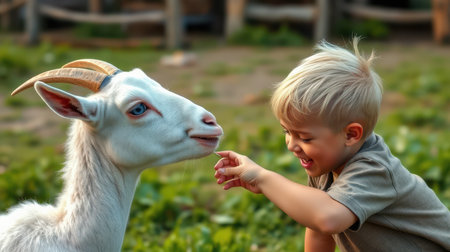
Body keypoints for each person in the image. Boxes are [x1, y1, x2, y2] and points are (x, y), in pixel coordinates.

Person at [213, 38, 450, 252]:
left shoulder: (374, 168)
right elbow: (317, 228)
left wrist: (263, 177)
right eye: (287, 132)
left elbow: (327, 218)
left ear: (350, 135)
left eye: (305, 138)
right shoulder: (327, 164)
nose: (291, 145)